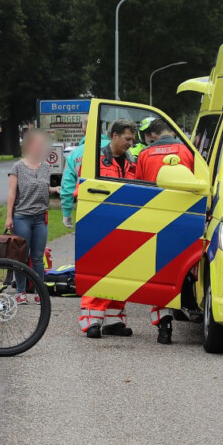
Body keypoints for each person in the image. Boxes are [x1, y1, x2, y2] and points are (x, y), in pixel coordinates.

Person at [133, 119, 196, 344]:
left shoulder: (145, 154)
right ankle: (188, 305)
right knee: (182, 267)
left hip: (155, 218)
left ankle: (163, 324)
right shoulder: (187, 150)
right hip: (184, 217)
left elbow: (138, 186)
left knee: (158, 271)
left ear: (152, 134)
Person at [79, 119, 138, 339]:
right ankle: (92, 321)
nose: (130, 144)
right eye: (127, 139)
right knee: (98, 272)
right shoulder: (96, 160)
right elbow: (82, 188)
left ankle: (114, 320)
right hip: (99, 224)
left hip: (125, 224)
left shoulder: (132, 162)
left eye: (132, 139)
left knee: (121, 272)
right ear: (114, 136)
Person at [7, 129, 52, 298]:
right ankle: (21, 291)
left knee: (38, 257)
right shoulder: (17, 167)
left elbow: (44, 187)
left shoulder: (46, 166)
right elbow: (11, 193)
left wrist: (55, 189)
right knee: (22, 257)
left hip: (41, 217)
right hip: (22, 217)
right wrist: (9, 217)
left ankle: (39, 292)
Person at [60, 141, 83, 229]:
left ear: (84, 131)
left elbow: (67, 185)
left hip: (87, 202)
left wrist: (66, 213)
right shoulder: (125, 150)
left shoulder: (75, 154)